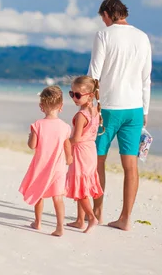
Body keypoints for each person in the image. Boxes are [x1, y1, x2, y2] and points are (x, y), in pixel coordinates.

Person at [87, 0, 152, 231]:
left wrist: (89, 106)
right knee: (131, 166)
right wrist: (145, 110)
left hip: (108, 108)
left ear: (106, 14)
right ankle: (125, 219)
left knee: (98, 161)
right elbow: (146, 78)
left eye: (102, 18)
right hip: (134, 109)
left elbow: (94, 74)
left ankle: (97, 212)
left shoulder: (103, 35)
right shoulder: (143, 37)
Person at [18, 86, 73, 237]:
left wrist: (31, 135)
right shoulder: (65, 127)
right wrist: (69, 158)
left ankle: (38, 222)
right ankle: (60, 227)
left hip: (41, 167)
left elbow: (32, 145)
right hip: (58, 168)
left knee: (39, 194)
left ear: (41, 107)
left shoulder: (38, 125)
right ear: (61, 107)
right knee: (58, 198)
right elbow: (67, 144)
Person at [65, 76, 104, 234]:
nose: (74, 98)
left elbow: (76, 138)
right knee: (81, 184)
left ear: (90, 95)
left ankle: (91, 217)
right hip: (91, 151)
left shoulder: (81, 115)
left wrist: (64, 142)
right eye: (71, 94)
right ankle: (80, 220)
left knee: (80, 188)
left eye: (78, 95)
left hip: (81, 152)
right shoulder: (95, 111)